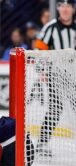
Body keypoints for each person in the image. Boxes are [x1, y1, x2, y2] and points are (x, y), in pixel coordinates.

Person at [34, 0, 76, 156]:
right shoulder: (50, 28)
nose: (65, 9)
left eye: (68, 6)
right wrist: (42, 71)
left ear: (73, 9)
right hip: (55, 75)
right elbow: (38, 50)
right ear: (58, 8)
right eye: (62, 6)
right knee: (55, 109)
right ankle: (42, 143)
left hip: (74, 75)